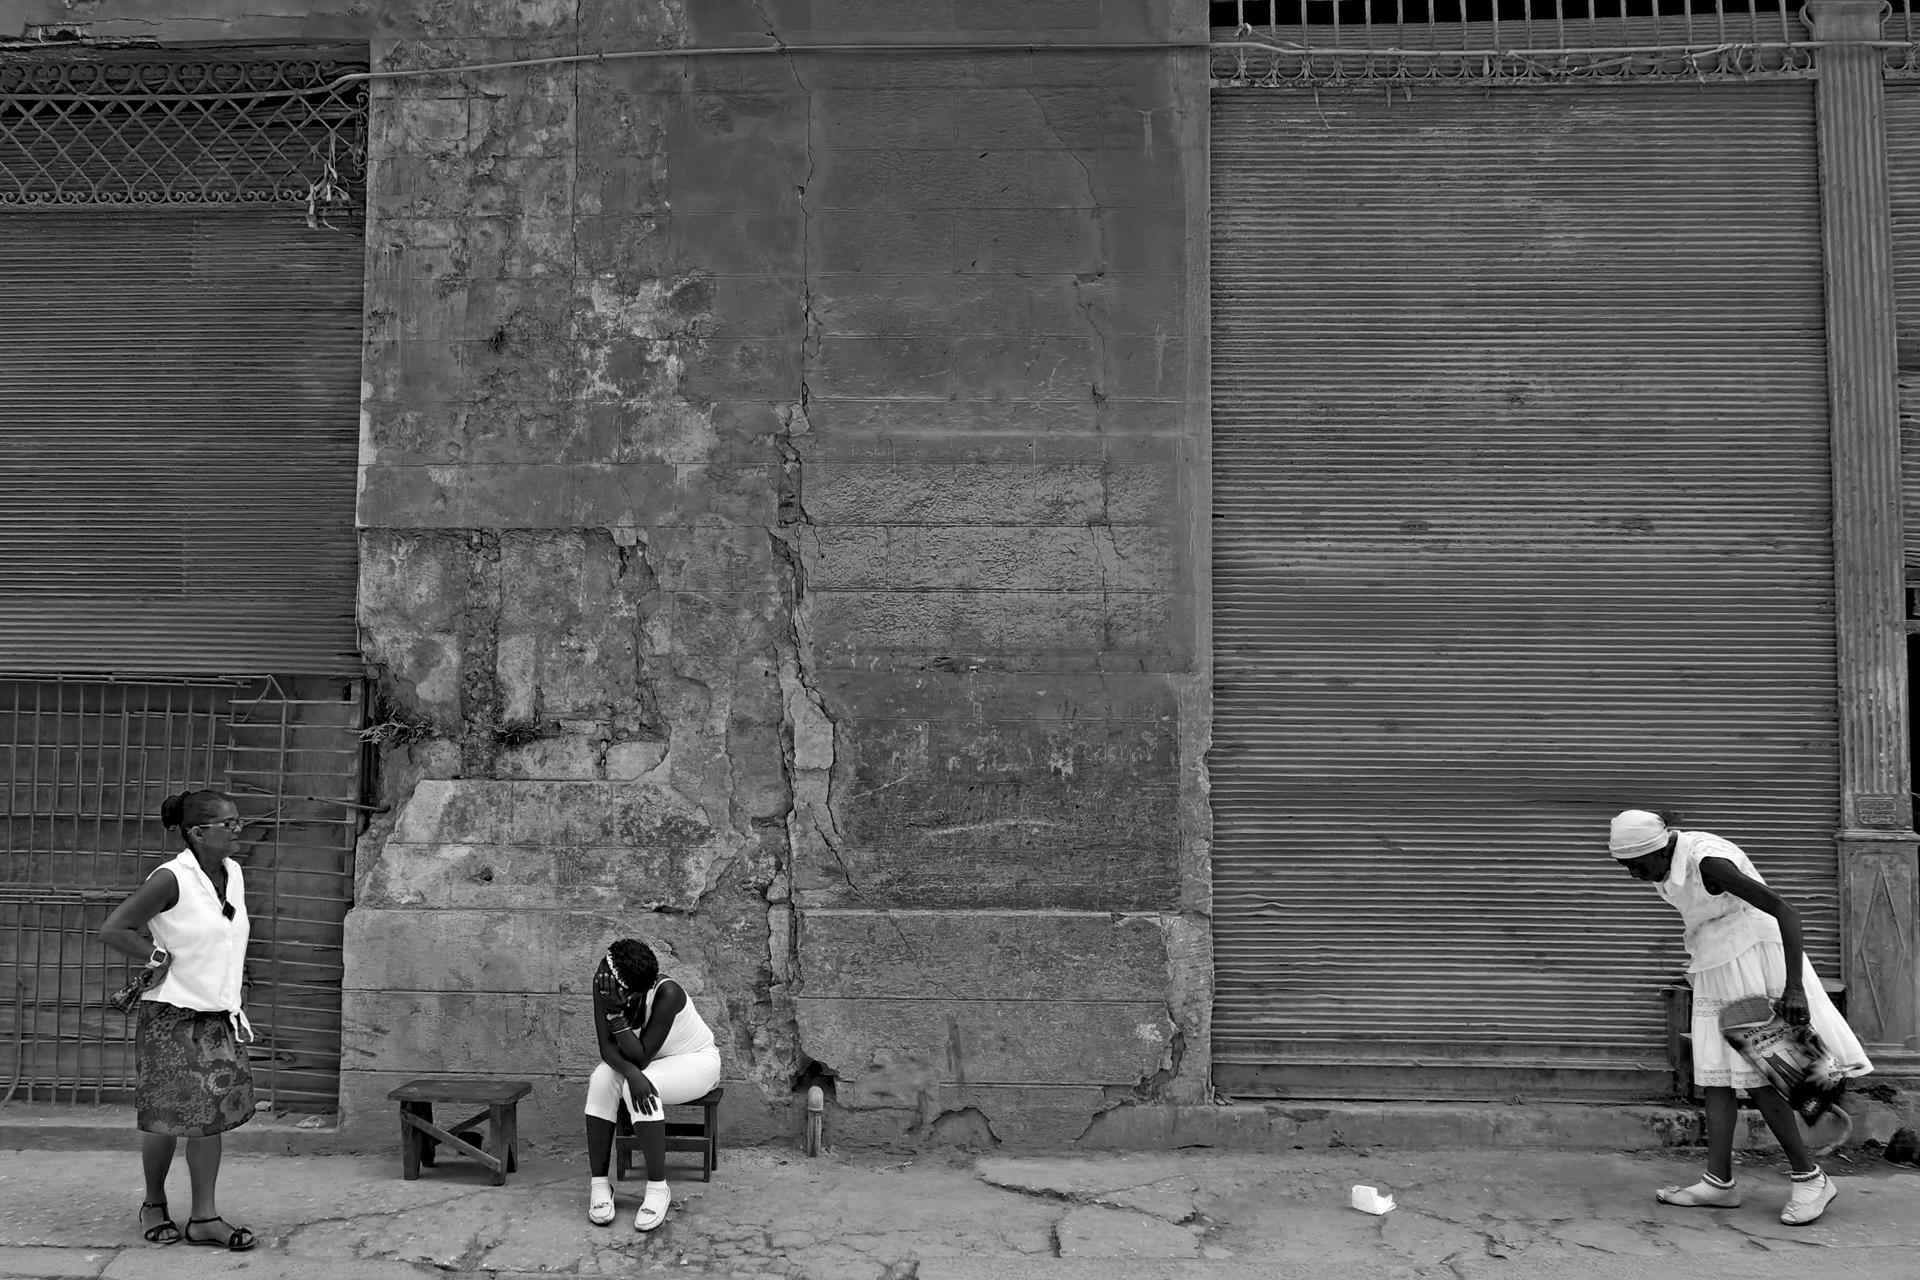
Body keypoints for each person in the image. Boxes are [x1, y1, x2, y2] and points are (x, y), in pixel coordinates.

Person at [1610, 809, 1871, 1226]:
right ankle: (1719, 1182)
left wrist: (1794, 988)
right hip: (1717, 966)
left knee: (1760, 1077)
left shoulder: (1708, 860)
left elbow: (1785, 910)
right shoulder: (1670, 866)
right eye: (1626, 867)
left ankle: (1811, 1179)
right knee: (1715, 1078)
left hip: (1752, 964)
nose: (1634, 875)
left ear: (1659, 849)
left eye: (1638, 865)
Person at [98, 789, 257, 1252]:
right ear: (197, 832)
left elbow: (227, 937)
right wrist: (156, 955)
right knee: (169, 1116)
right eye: (227, 824)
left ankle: (204, 1217)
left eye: (237, 821)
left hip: (217, 1015)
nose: (237, 829)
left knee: (211, 1118)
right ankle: (154, 1202)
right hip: (172, 1017)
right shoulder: (171, 878)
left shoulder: (233, 873)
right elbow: (114, 928)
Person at [582, 938, 721, 1231]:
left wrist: (617, 1017)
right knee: (600, 1079)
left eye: (618, 990)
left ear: (633, 991)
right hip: (648, 1060)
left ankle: (658, 1188)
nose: (603, 982)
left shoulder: (667, 993)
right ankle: (599, 1185)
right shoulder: (605, 982)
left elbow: (641, 1058)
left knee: (643, 1085)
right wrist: (630, 1072)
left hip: (695, 1061)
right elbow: (607, 1050)